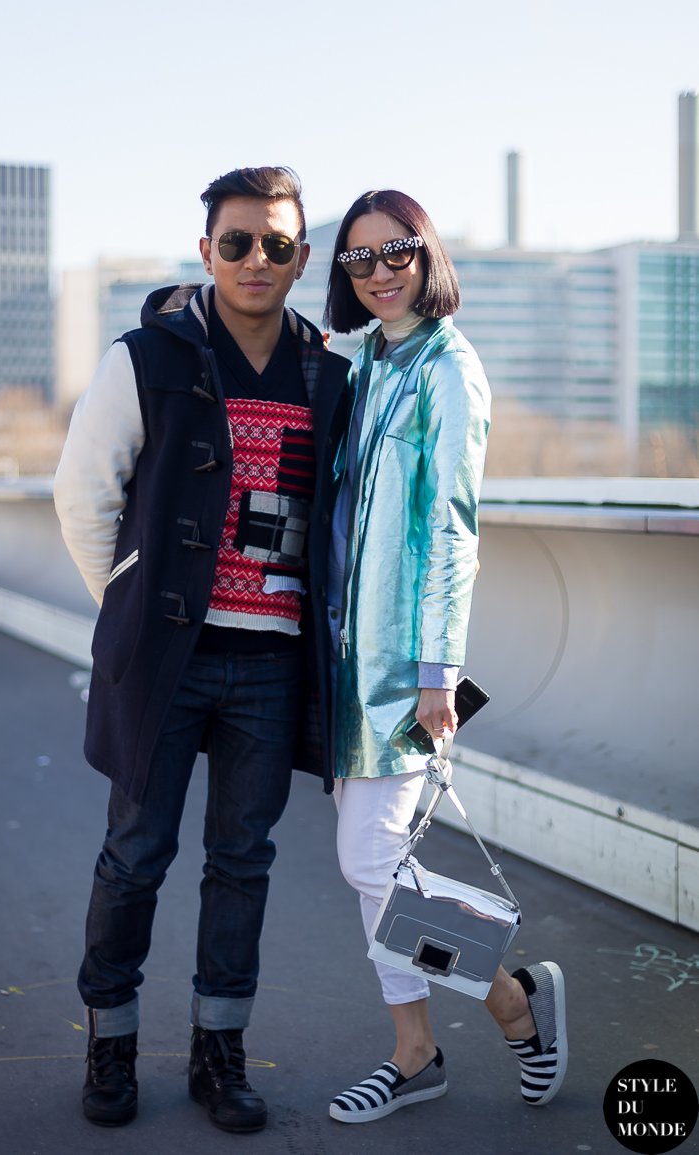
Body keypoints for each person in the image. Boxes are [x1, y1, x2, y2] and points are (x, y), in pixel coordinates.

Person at [53, 166, 349, 1133]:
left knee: (242, 862)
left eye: (276, 245)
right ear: (206, 249)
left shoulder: (330, 376)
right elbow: (84, 496)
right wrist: (138, 615)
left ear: (303, 258)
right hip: (168, 664)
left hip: (271, 664)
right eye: (237, 241)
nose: (255, 259)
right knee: (134, 855)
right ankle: (111, 1042)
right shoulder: (146, 357)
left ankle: (219, 1053)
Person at [322, 189, 568, 1124]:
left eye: (398, 252)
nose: (381, 271)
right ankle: (415, 1050)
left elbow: (452, 530)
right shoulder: (369, 364)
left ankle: (513, 1005)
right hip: (347, 664)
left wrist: (435, 674)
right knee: (371, 865)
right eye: (360, 259)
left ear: (429, 256)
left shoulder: (449, 370)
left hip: (400, 671)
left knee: (373, 857)